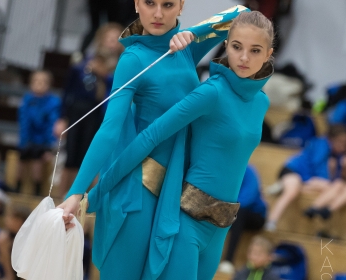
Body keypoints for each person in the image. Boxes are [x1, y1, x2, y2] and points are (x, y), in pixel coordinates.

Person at [57, 2, 246, 279]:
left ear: (181, 5)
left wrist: (193, 33)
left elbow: (240, 13)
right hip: (138, 192)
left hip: (175, 193)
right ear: (136, 4)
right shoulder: (133, 58)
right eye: (150, 3)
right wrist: (76, 191)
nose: (158, 14)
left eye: (168, 4)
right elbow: (110, 129)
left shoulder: (186, 48)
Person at [53, 22, 124, 196]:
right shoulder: (83, 64)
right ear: (101, 40)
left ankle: (84, 197)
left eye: (116, 39)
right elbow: (67, 92)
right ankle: (62, 196)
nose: (112, 43)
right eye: (109, 39)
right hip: (77, 112)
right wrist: (62, 118)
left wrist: (104, 75)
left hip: (99, 114)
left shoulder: (122, 65)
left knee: (89, 156)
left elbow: (117, 88)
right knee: (71, 157)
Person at [265, 124, 346, 232]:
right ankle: (271, 221)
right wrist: (309, 180)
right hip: (293, 170)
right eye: (341, 142)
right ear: (332, 139)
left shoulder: (335, 155)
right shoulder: (321, 145)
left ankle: (290, 187)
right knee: (292, 192)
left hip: (304, 178)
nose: (343, 147)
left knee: (332, 187)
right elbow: (317, 167)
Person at [16, 70, 61, 195]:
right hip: (29, 139)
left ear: (49, 85)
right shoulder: (27, 100)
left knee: (38, 157)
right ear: (30, 84)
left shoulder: (53, 102)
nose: (39, 85)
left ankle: (37, 188)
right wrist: (23, 142)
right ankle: (18, 185)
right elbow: (24, 123)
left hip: (44, 142)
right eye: (36, 82)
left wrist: (50, 146)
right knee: (23, 154)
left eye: (43, 82)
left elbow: (52, 125)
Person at [219, 165, 268, 275]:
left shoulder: (249, 171)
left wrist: (224, 206)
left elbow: (246, 200)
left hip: (256, 215)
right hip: (230, 211)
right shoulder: (222, 171)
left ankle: (228, 261)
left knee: (238, 212)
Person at [0, 204, 31, 280]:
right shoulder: (4, 238)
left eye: (13, 218)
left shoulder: (29, 240)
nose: (7, 220)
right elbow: (9, 274)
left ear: (22, 222)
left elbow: (27, 272)